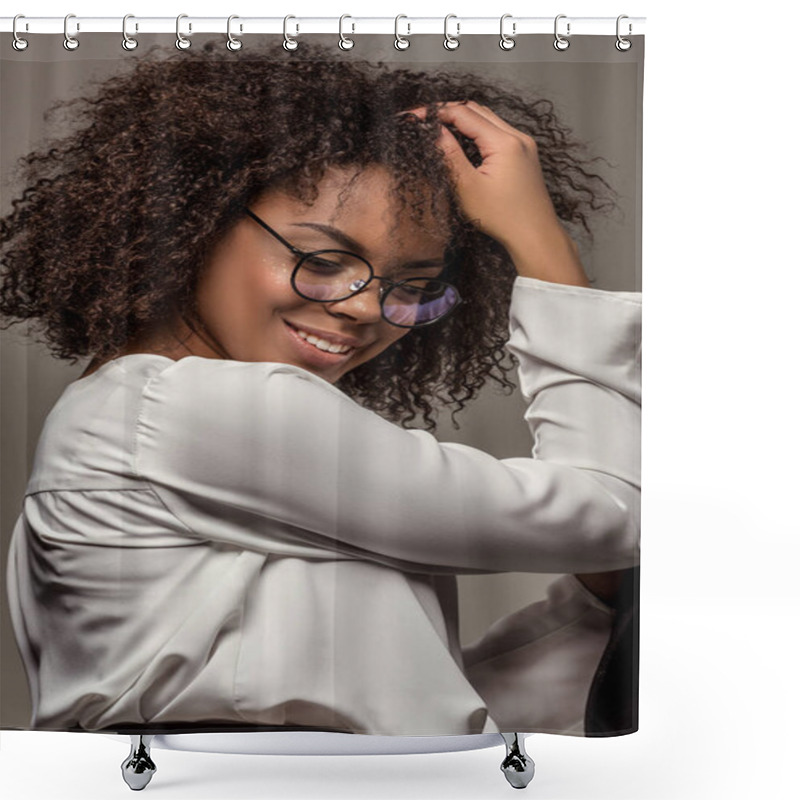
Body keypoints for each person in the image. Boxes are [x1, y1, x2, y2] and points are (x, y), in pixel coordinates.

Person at [0, 40, 641, 736]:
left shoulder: (129, 418)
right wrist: (539, 244)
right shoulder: (187, 411)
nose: (365, 308)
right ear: (196, 224)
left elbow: (409, 718)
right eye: (325, 259)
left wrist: (597, 606)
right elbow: (617, 512)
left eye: (412, 287)